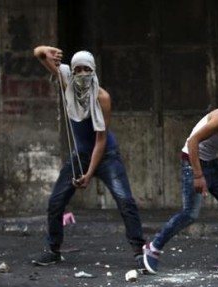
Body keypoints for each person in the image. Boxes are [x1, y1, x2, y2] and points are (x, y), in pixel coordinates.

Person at [32, 46, 146, 267]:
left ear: (93, 70)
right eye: (78, 69)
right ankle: (53, 250)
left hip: (106, 154)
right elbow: (39, 54)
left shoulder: (102, 97)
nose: (82, 74)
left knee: (125, 201)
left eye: (87, 69)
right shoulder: (66, 81)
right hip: (81, 154)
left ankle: (139, 250)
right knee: (56, 201)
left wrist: (89, 174)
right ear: (72, 71)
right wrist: (45, 50)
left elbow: (101, 140)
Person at [142, 82, 218, 274]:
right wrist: (198, 175)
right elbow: (192, 141)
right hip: (193, 161)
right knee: (190, 214)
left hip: (212, 162)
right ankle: (153, 247)